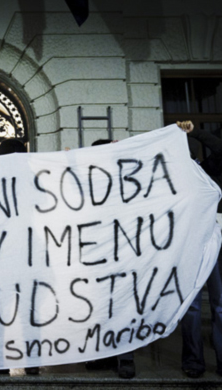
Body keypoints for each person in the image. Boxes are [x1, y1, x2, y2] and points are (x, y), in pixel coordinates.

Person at [177, 120, 222, 384]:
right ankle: (193, 362)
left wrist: (195, 132)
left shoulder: (208, 171)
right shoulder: (170, 184)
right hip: (187, 248)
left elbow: (221, 149)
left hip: (217, 248)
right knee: (190, 307)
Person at [0, 139, 40, 376]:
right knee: (17, 310)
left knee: (17, 310)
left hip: (22, 256)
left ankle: (4, 360)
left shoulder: (33, 181)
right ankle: (24, 360)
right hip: (10, 256)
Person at [86, 138, 136, 380]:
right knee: (100, 307)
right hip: (97, 255)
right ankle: (105, 354)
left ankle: (126, 358)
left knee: (123, 306)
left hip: (122, 254)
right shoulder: (89, 180)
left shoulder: (124, 179)